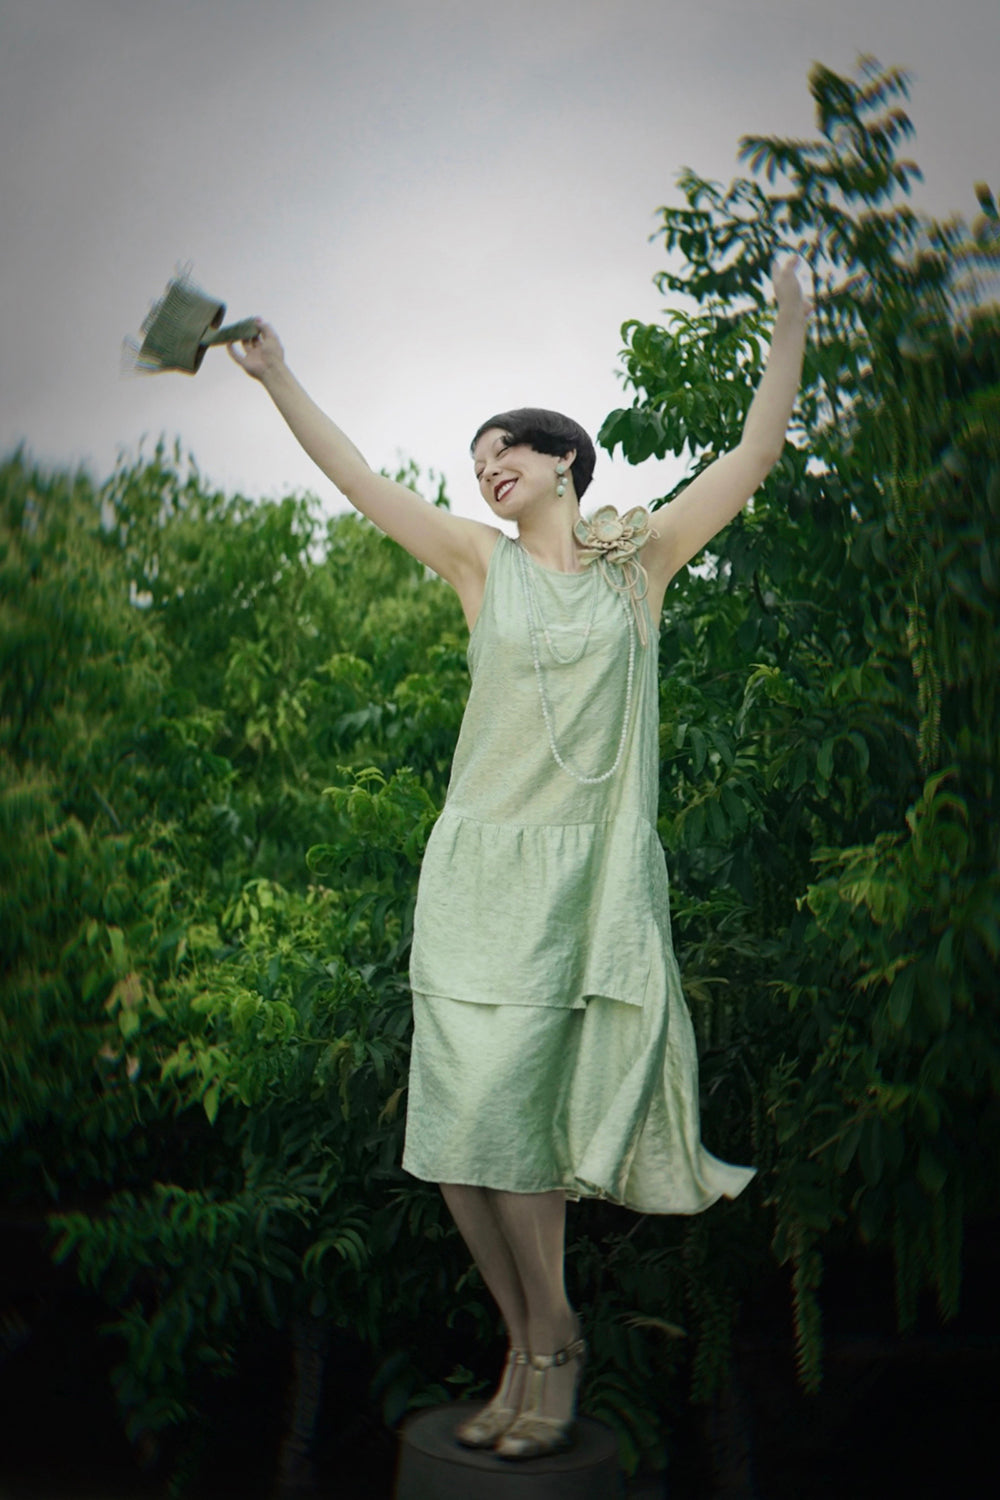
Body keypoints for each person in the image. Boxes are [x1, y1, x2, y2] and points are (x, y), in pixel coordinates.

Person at [229, 258, 809, 1460]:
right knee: (455, 1133)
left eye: (510, 451)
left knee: (519, 1125)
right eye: (477, 457)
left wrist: (791, 326)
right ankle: (529, 1337)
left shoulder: (635, 567)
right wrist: (277, 374)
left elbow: (753, 454)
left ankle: (550, 1347)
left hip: (578, 879)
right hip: (474, 872)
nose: (488, 468)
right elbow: (352, 478)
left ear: (564, 463)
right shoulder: (474, 564)